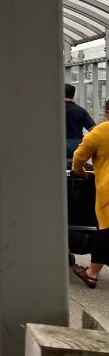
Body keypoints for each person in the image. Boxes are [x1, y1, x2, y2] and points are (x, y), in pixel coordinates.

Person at [71, 98, 109, 288]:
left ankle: (92, 273)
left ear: (107, 112)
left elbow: (78, 157)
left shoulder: (101, 131)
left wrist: (80, 171)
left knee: (105, 231)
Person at [66, 83, 97, 161]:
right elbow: (94, 130)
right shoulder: (80, 111)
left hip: (57, 146)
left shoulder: (52, 110)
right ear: (73, 95)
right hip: (76, 146)